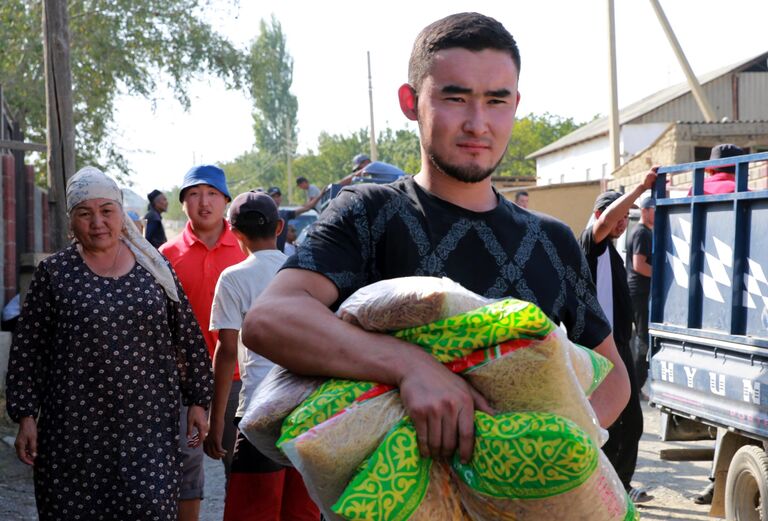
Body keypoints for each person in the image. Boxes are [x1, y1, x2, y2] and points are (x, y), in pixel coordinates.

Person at [242, 12, 630, 466]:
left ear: (516, 103)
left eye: (496, 101)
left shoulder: (552, 240)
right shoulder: (368, 213)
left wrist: (548, 450)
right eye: (456, 97)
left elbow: (613, 376)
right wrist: (409, 367)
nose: (478, 123)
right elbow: (270, 319)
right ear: (410, 101)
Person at [5, 166, 212, 520]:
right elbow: (28, 351)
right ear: (71, 221)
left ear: (120, 213)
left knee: (149, 509)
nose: (97, 222)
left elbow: (187, 335)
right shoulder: (55, 274)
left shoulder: (155, 269)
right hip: (73, 434)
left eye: (106, 211)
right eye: (85, 213)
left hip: (148, 430)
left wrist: (198, 399)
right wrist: (25, 416)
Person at [205, 191, 319, 520]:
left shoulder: (234, 278)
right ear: (280, 226)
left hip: (260, 411)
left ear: (233, 231)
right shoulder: (306, 270)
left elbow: (226, 354)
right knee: (301, 511)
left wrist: (217, 424)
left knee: (253, 511)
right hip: (307, 410)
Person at [160, 165, 247, 521]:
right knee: (184, 470)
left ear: (225, 200)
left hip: (240, 378)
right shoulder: (166, 255)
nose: (204, 202)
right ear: (183, 204)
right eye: (194, 195)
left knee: (241, 468)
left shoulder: (245, 248)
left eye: (212, 194)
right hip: (182, 382)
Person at [579, 175, 657, 504]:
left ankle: (616, 486)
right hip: (599, 349)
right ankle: (606, 489)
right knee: (612, 422)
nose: (623, 223)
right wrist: (641, 187)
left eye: (628, 218)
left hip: (618, 346)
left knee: (630, 423)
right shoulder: (590, 242)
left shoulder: (610, 253)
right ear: (600, 216)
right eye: (619, 216)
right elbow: (608, 218)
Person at [627, 197, 655, 391]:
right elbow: (639, 265)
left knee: (641, 337)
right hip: (639, 291)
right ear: (645, 210)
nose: (657, 213)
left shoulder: (643, 232)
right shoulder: (642, 233)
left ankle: (635, 386)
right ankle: (636, 387)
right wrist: (661, 275)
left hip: (639, 291)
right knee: (643, 338)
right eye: (654, 209)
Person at [266, 186, 321, 253]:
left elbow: (307, 208)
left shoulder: (284, 214)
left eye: (278, 196)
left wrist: (321, 194)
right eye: (273, 196)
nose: (276, 199)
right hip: (266, 254)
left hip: (280, 255)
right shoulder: (265, 214)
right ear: (268, 198)